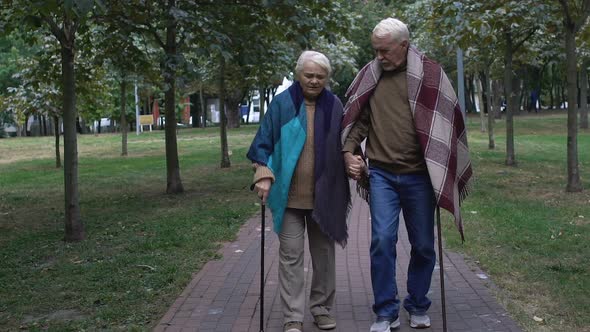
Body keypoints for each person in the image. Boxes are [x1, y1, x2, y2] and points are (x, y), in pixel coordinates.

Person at [341, 18, 473, 331]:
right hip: (383, 174)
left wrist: (445, 164)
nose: (379, 57)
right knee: (383, 240)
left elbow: (447, 121)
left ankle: (417, 304)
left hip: (420, 177)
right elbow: (358, 120)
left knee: (425, 245)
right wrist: (349, 152)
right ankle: (385, 311)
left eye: (384, 50)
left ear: (404, 45)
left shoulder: (431, 74)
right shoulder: (370, 75)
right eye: (375, 50)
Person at [247, 50, 350, 332]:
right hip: (289, 197)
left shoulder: (335, 106)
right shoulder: (282, 104)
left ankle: (322, 309)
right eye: (309, 75)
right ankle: (293, 316)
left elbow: (346, 143)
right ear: (298, 75)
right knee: (291, 257)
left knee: (324, 257)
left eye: (321, 76)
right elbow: (263, 144)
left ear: (327, 78)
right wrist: (263, 173)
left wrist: (354, 161)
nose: (315, 81)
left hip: (325, 196)